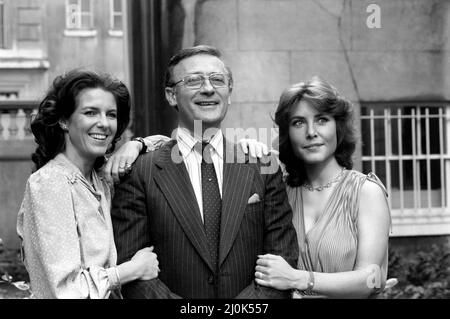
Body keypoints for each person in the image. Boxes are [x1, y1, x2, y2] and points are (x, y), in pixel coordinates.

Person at [111, 45, 299, 299]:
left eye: (217, 80)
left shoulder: (262, 166)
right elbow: (132, 271)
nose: (208, 88)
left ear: (229, 93)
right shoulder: (140, 172)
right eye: (194, 80)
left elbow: (282, 260)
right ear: (171, 95)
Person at [240, 77, 391, 298]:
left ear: (338, 127)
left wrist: (298, 278)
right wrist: (245, 155)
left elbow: (371, 279)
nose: (311, 132)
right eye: (298, 122)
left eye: (321, 120)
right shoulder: (278, 189)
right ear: (287, 133)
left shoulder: (366, 192)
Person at [16, 69, 160, 299]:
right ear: (64, 120)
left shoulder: (101, 178)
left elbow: (172, 145)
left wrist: (137, 145)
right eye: (91, 112)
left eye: (111, 114)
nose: (104, 123)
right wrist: (131, 270)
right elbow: (64, 290)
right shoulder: (50, 183)